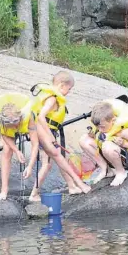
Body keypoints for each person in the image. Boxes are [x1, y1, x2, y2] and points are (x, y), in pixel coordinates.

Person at [28, 71, 91, 202]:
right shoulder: (52, 98)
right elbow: (41, 116)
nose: (69, 92)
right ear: (62, 85)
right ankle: (34, 194)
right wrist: (50, 135)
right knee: (52, 161)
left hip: (46, 131)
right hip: (44, 131)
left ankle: (71, 186)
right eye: (69, 89)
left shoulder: (53, 97)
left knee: (60, 158)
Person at [79, 98, 128, 186]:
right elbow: (100, 139)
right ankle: (106, 170)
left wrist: (124, 144)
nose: (100, 129)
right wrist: (93, 136)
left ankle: (121, 172)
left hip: (127, 159)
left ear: (113, 120)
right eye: (97, 127)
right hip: (109, 156)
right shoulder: (102, 126)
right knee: (84, 139)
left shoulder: (124, 131)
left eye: (102, 127)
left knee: (107, 146)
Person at [0, 92, 40, 201]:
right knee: (6, 151)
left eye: (16, 123)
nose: (14, 126)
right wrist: (16, 150)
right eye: (11, 124)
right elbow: (5, 137)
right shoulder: (2, 122)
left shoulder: (28, 118)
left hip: (29, 125)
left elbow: (35, 145)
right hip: (8, 131)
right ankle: (4, 190)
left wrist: (30, 167)